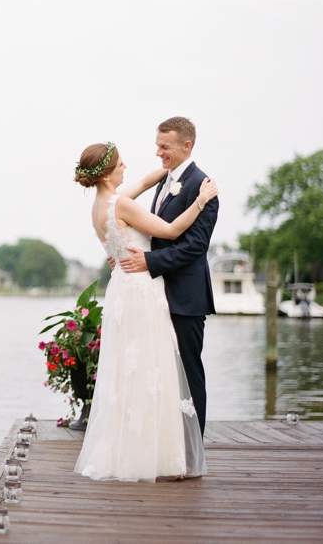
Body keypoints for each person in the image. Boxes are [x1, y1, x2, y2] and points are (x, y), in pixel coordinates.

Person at [71, 139, 217, 482]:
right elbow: (169, 230)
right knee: (154, 366)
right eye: (120, 164)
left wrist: (171, 167)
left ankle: (135, 449)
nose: (126, 168)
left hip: (122, 288)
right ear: (107, 173)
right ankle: (158, 452)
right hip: (141, 289)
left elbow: (142, 184)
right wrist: (200, 200)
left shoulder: (100, 206)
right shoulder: (121, 204)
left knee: (131, 370)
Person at [118, 116, 218, 436]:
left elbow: (194, 248)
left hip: (187, 297)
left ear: (186, 145)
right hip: (159, 295)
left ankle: (194, 449)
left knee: (189, 373)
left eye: (165, 146)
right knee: (164, 374)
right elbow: (156, 231)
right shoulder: (166, 180)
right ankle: (169, 443)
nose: (158, 152)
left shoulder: (203, 187)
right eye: (157, 145)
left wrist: (149, 261)